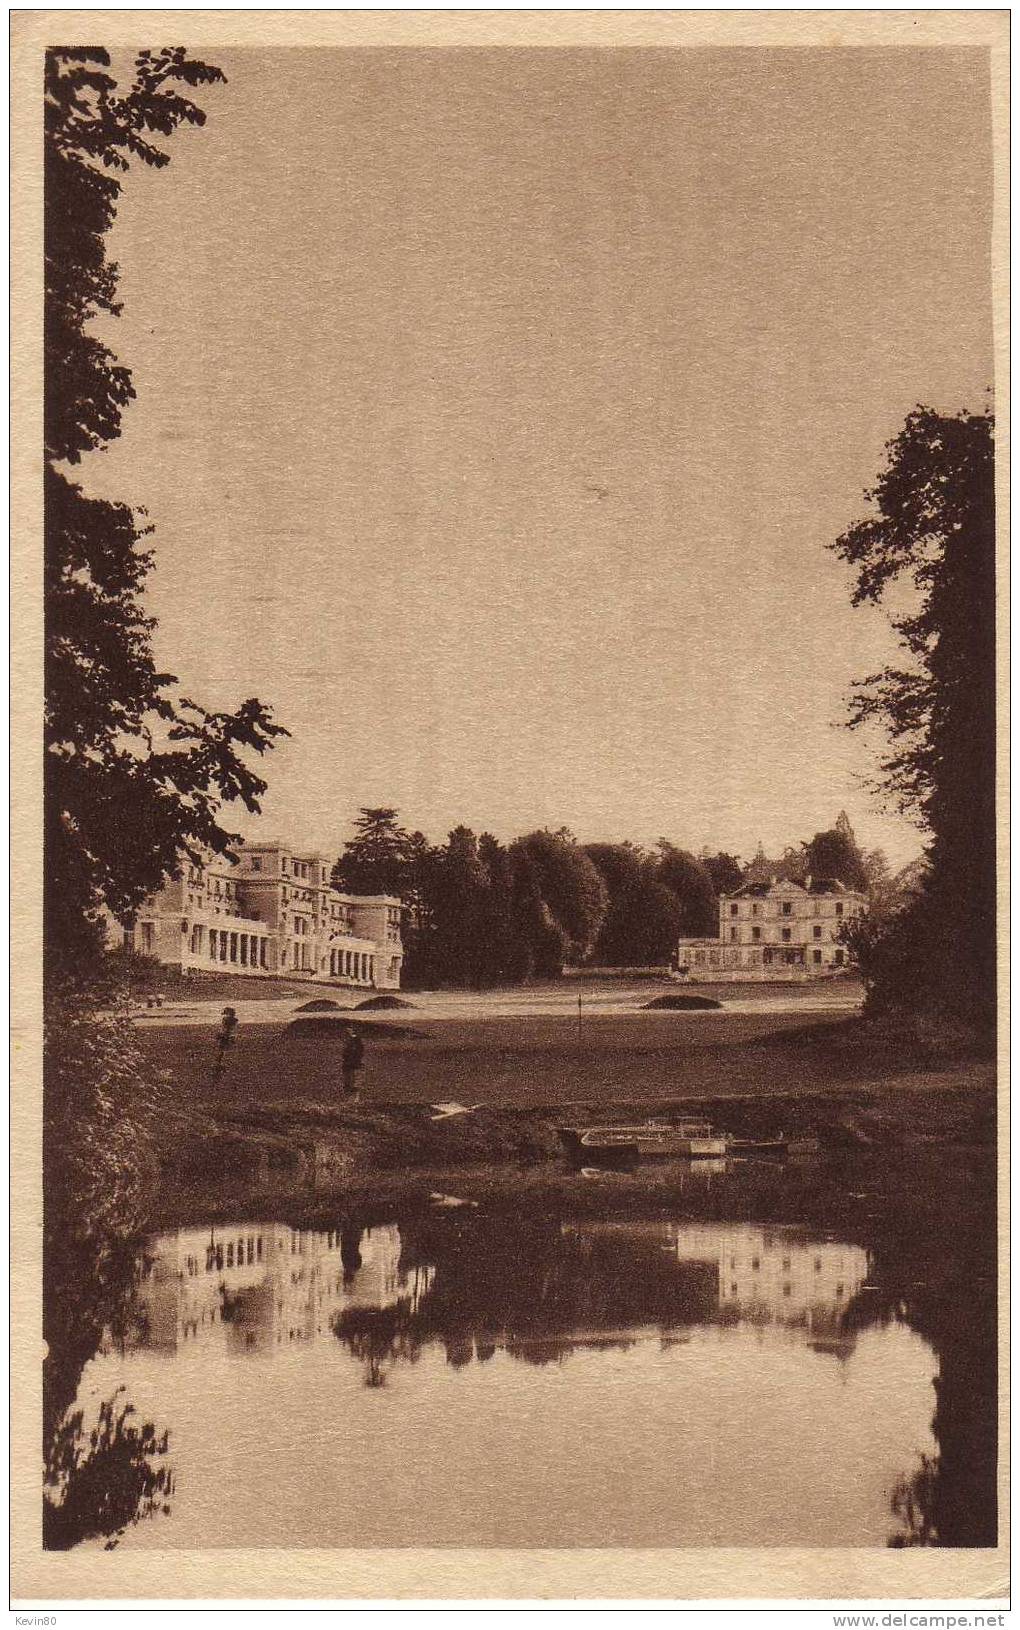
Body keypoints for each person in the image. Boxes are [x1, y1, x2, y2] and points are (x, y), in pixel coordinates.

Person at [341, 1024, 365, 1099]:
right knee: (350, 1081)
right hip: (351, 1063)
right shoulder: (352, 1041)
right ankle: (352, 1098)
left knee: (353, 1081)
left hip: (353, 1064)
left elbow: (358, 1052)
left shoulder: (355, 1041)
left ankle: (354, 1098)